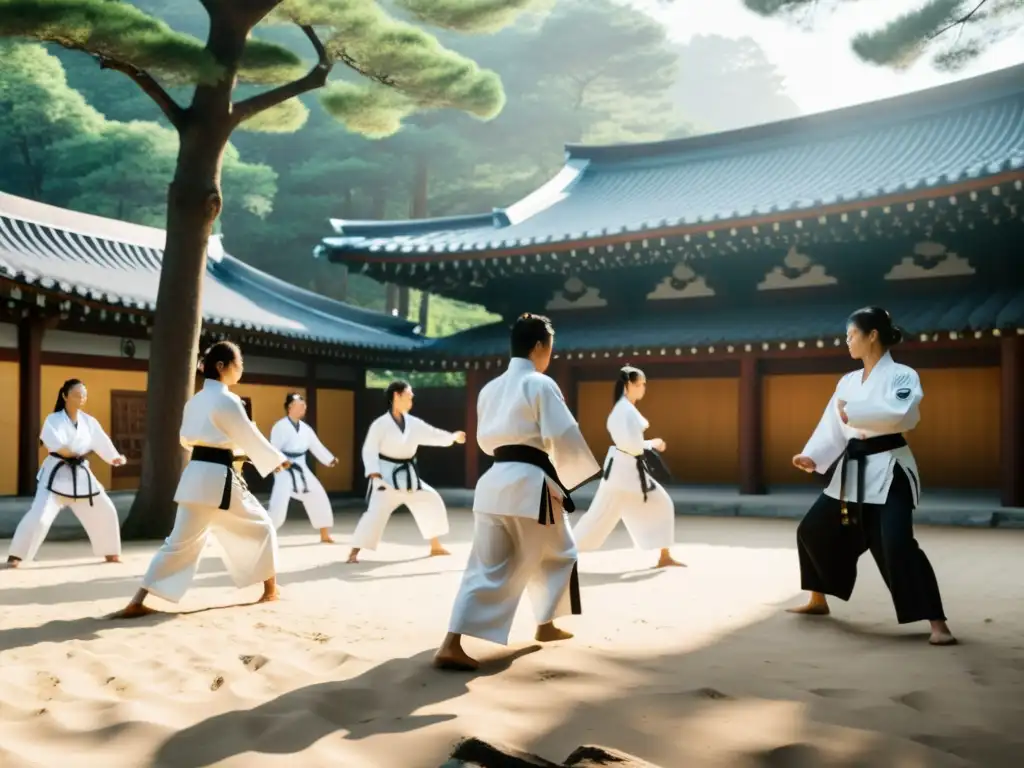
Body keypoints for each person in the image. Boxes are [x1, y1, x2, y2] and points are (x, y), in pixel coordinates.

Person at [434, 313, 602, 671]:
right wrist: (576, 471)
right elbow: (563, 434)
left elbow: (484, 441)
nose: (550, 356)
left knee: (488, 564)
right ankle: (544, 624)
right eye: (550, 349)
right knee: (560, 552)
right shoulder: (539, 384)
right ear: (540, 346)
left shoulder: (489, 388)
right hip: (530, 486)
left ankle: (457, 640)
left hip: (493, 482)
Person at [787, 307, 955, 646]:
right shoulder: (847, 381)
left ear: (872, 335)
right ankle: (818, 599)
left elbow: (903, 414)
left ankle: (938, 624)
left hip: (890, 467)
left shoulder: (902, 375)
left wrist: (856, 412)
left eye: (851, 335)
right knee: (813, 530)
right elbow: (832, 425)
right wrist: (814, 454)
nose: (846, 341)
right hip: (853, 470)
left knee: (897, 544)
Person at [113, 341, 290, 618]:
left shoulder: (195, 400)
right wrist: (274, 459)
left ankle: (137, 600)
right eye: (238, 363)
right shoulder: (227, 399)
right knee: (263, 526)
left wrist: (237, 453)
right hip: (218, 480)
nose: (241, 368)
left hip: (195, 477)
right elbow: (246, 434)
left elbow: (188, 440)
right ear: (221, 367)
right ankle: (270, 591)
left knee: (177, 544)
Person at [4, 379, 126, 568]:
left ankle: (110, 552)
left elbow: (101, 441)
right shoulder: (54, 420)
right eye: (77, 395)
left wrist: (114, 457)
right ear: (65, 396)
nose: (81, 399)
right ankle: (17, 555)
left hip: (80, 474)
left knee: (105, 509)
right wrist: (69, 452)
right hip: (57, 474)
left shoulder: (89, 422)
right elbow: (56, 444)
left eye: (84, 395)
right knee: (40, 516)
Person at [572, 365, 682, 568]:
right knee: (597, 517)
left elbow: (631, 445)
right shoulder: (623, 411)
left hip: (628, 472)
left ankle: (664, 555)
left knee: (661, 504)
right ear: (628, 385)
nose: (643, 388)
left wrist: (648, 444)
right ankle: (564, 553)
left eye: (644, 384)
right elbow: (631, 445)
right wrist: (653, 443)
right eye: (640, 384)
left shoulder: (626, 410)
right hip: (622, 474)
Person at [347, 380, 466, 563]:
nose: (412, 398)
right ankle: (354, 552)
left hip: (409, 477)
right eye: (409, 395)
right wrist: (374, 473)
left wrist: (452, 437)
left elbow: (432, 434)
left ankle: (435, 545)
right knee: (375, 514)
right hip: (386, 477)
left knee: (430, 500)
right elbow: (369, 449)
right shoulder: (380, 424)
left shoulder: (413, 423)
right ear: (397, 395)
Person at [268, 393, 339, 543]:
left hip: (301, 466)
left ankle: (324, 534)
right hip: (284, 468)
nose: (303, 408)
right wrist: (280, 463)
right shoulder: (280, 426)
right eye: (300, 405)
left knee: (318, 495)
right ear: (290, 407)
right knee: (278, 504)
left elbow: (316, 445)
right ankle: (265, 534)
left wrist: (329, 459)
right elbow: (273, 448)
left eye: (304, 405)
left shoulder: (306, 429)